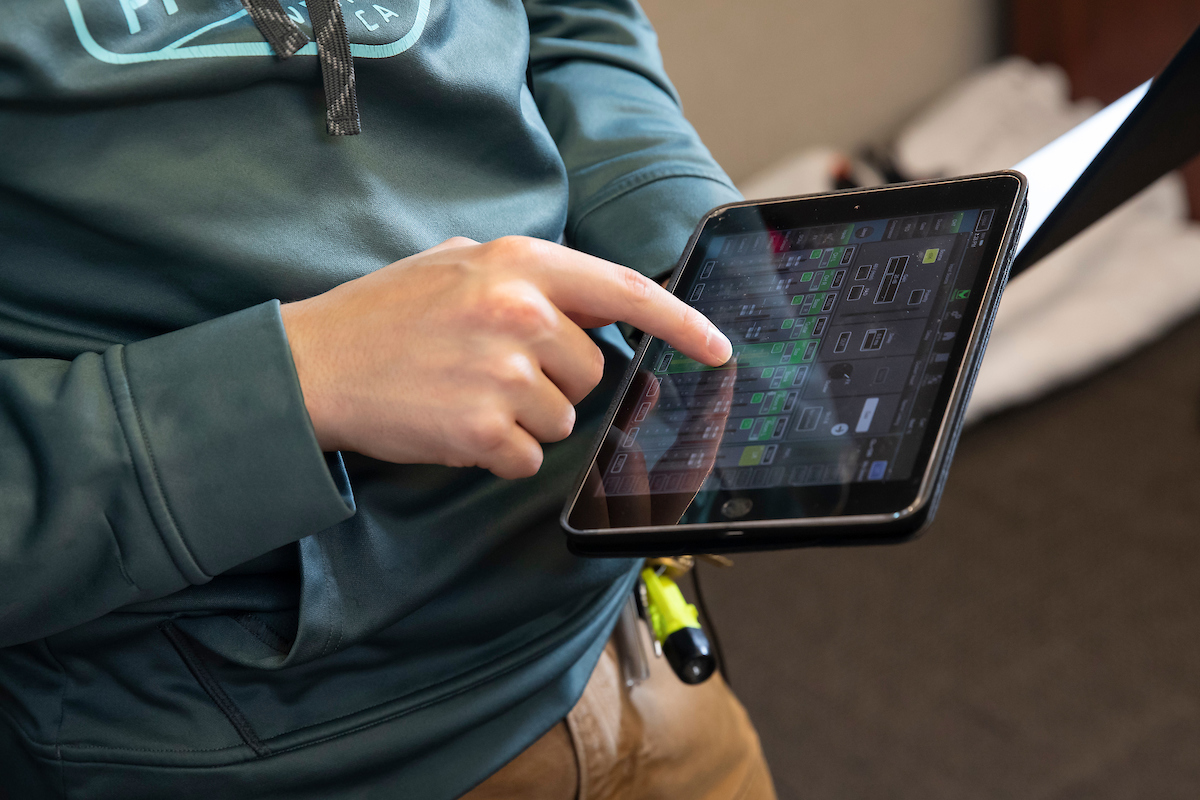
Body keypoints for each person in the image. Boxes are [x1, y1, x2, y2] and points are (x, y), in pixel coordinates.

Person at [0, 0, 776, 796]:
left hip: (623, 629)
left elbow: (567, 19)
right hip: (284, 751)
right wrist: (302, 378)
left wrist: (678, 235)